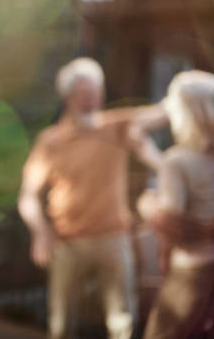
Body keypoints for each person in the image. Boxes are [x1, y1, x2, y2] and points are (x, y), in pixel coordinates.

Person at [17, 57, 166, 339]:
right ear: (68, 96)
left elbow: (160, 113)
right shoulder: (50, 141)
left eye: (96, 93)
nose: (91, 101)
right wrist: (40, 232)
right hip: (67, 244)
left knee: (121, 321)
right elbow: (28, 196)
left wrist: (186, 94)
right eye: (84, 94)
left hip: (114, 238)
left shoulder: (115, 125)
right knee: (62, 322)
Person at [137, 70, 214, 339]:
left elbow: (172, 224)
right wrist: (154, 159)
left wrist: (145, 206)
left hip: (197, 271)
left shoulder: (176, 161)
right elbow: (198, 179)